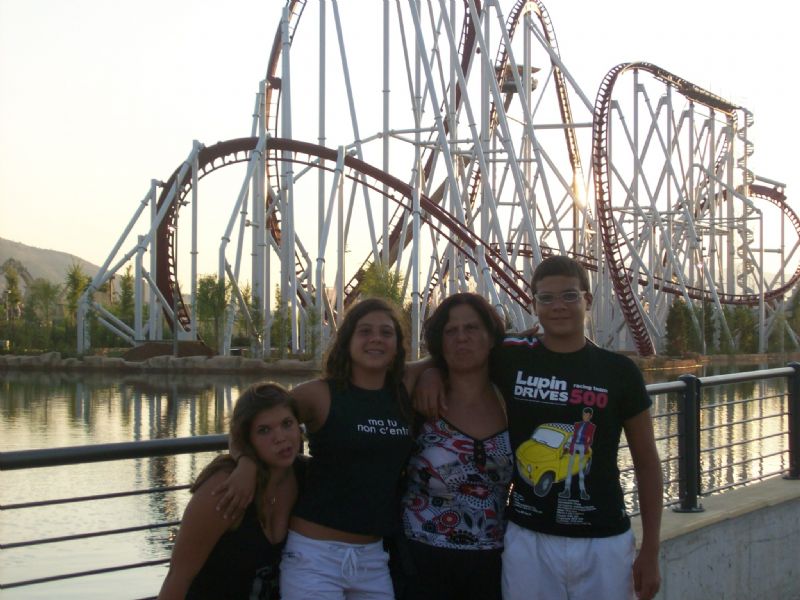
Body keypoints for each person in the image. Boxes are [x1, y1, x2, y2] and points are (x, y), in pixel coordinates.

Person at [416, 255, 663, 600]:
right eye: (546, 297)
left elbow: (647, 462)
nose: (558, 306)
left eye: (569, 295)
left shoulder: (619, 371)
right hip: (529, 536)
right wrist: (431, 372)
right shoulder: (512, 356)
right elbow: (461, 354)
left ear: (587, 300)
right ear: (534, 305)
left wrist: (651, 548)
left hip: (603, 538)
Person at [216, 298, 425, 600]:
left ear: (397, 345)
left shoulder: (404, 388)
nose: (376, 338)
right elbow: (246, 424)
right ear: (347, 341)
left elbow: (446, 360)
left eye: (386, 332)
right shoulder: (320, 394)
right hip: (314, 557)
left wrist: (432, 376)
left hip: (373, 558)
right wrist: (246, 462)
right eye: (365, 331)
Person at [401, 293, 513, 600]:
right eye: (451, 331)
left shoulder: (510, 401)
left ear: (492, 338)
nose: (461, 338)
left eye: (472, 328)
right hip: (421, 559)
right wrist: (432, 367)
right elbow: (387, 375)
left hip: (492, 562)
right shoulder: (422, 398)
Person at [157, 382, 303, 600]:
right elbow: (178, 578)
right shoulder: (224, 487)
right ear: (247, 440)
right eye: (264, 430)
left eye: (287, 424)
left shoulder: (305, 477)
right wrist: (245, 461)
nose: (280, 437)